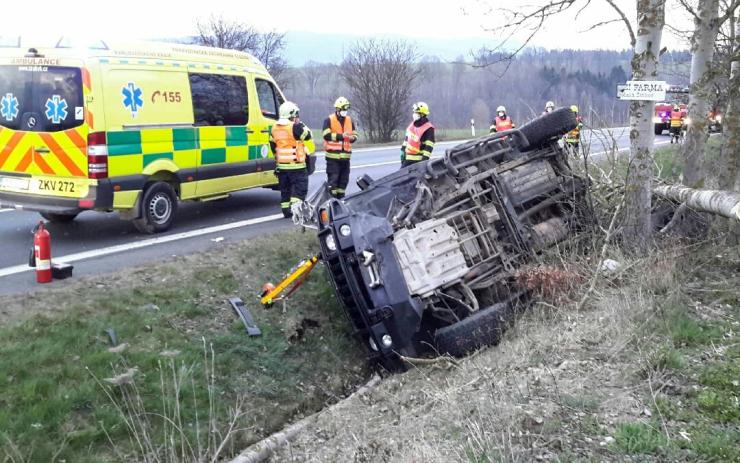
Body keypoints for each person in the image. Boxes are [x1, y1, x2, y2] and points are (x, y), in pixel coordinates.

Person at [269, 101, 314, 218]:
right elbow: (308, 136)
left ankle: (286, 211)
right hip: (297, 166)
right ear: (291, 114)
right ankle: (296, 211)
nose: (297, 116)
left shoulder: (274, 128)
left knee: (285, 191)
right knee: (299, 190)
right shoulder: (295, 127)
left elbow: (273, 145)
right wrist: (301, 124)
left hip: (282, 167)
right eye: (296, 114)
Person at [323, 97, 358, 199]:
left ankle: (341, 200)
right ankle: (331, 201)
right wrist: (341, 136)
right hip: (333, 158)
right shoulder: (329, 120)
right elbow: (326, 135)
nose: (345, 112)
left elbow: (355, 134)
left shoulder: (349, 120)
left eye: (346, 110)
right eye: (343, 110)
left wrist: (352, 138)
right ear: (337, 109)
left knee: (343, 182)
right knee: (333, 182)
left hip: (345, 158)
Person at [401, 102, 435, 167]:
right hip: (407, 160)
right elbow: (406, 141)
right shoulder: (411, 125)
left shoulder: (429, 128)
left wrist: (424, 161)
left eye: (416, 112)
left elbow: (429, 147)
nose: (414, 114)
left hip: (419, 161)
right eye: (414, 112)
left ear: (422, 114)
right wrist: (402, 151)